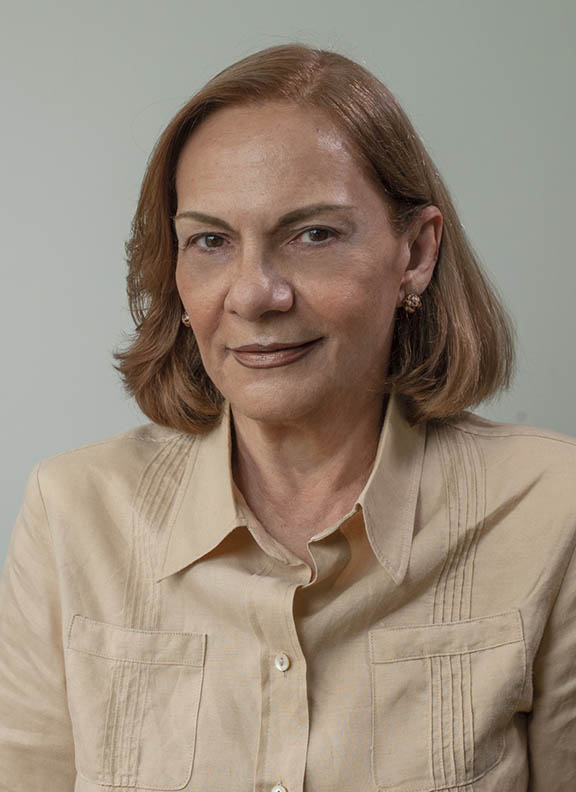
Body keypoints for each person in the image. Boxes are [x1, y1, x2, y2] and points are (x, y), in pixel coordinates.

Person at [0, 42, 575, 792]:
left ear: (416, 253)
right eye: (211, 241)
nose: (253, 294)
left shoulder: (551, 506)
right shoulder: (74, 510)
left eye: (313, 235)